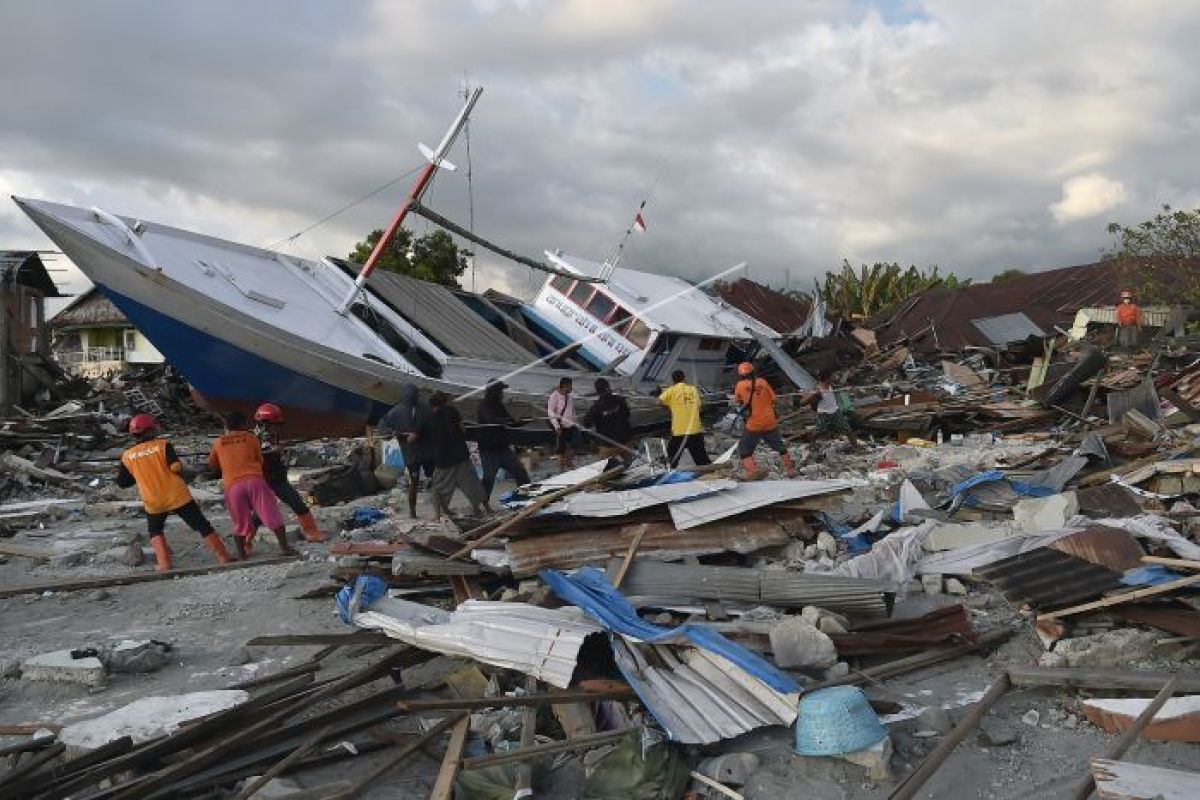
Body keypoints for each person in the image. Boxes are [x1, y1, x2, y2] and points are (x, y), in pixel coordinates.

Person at [117, 413, 232, 572]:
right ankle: (223, 556)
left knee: (155, 530)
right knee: (201, 525)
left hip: (153, 501)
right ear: (150, 430)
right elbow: (175, 467)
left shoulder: (127, 456)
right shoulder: (163, 445)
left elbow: (122, 483)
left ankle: (164, 564)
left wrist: (140, 473)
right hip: (177, 495)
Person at [207, 411, 296, 558]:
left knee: (240, 521)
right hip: (255, 481)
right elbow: (259, 460)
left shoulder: (218, 442)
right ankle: (285, 548)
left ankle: (242, 555)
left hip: (233, 485)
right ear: (243, 424)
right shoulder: (251, 438)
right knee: (271, 514)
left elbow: (212, 465)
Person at [253, 403, 327, 542]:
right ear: (265, 423)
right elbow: (257, 454)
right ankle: (246, 541)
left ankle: (310, 530)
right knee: (262, 511)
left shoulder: (269, 435)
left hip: (277, 477)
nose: (277, 428)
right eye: (275, 424)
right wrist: (274, 451)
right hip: (267, 478)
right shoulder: (257, 438)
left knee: (297, 504)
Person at [427, 391, 491, 517]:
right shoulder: (452, 410)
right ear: (445, 400)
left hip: (443, 458)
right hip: (460, 454)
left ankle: (437, 515)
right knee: (472, 483)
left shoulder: (429, 417)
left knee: (438, 487)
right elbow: (463, 429)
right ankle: (481, 509)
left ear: (432, 405)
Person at [377, 384, 436, 518]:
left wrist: (418, 432)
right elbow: (383, 425)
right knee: (415, 482)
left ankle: (438, 509)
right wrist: (392, 433)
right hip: (411, 453)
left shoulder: (424, 409)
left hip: (426, 452)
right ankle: (413, 511)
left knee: (433, 479)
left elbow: (433, 425)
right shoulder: (396, 411)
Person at [733, 362, 797, 479]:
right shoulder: (763, 382)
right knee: (780, 446)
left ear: (741, 375)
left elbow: (738, 403)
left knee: (744, 449)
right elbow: (774, 400)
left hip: (754, 424)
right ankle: (790, 470)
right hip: (769, 421)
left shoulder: (740, 386)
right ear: (753, 372)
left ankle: (752, 471)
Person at [476, 380, 532, 500]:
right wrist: (506, 421)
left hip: (503, 448)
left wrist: (523, 421)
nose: (502, 394)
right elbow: (491, 419)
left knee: (520, 472)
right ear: (494, 392)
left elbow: (511, 422)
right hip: (489, 450)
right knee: (489, 478)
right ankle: (482, 504)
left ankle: (525, 497)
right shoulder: (483, 406)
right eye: (501, 391)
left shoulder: (500, 406)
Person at [658, 370, 711, 468]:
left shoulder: (671, 390)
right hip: (694, 428)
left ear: (673, 380)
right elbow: (699, 405)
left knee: (671, 459)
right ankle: (708, 471)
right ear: (684, 378)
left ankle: (668, 474)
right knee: (701, 459)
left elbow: (659, 401)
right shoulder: (693, 389)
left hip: (679, 430)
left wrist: (670, 405)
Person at [803, 369, 860, 447]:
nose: (834, 377)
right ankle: (811, 443)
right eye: (832, 376)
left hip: (835, 412)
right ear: (827, 378)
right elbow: (803, 402)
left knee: (848, 430)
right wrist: (813, 395)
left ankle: (856, 447)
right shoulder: (817, 389)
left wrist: (850, 388)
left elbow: (842, 387)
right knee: (818, 431)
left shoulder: (831, 386)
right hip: (824, 414)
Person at [583, 378, 633, 462]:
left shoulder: (596, 407)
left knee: (604, 468)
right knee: (630, 465)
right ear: (608, 387)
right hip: (625, 440)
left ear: (597, 391)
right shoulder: (620, 400)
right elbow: (627, 414)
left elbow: (587, 423)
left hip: (608, 445)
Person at [547, 377, 582, 471]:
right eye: (570, 386)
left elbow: (572, 411)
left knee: (576, 441)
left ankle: (568, 461)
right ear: (565, 386)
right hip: (560, 426)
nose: (571, 388)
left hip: (571, 425)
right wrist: (556, 426)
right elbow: (550, 412)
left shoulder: (569, 397)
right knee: (560, 449)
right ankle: (561, 470)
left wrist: (576, 423)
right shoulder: (554, 396)